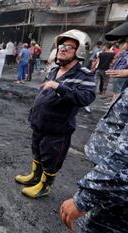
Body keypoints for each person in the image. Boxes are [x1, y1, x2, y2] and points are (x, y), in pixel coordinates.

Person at [60, 20, 128, 232]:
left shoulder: (83, 74)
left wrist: (86, 197)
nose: (124, 49)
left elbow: (125, 158)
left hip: (113, 189)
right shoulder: (57, 69)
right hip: (115, 196)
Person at [15, 29, 96, 198]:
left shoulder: (83, 75)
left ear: (80, 51)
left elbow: (86, 98)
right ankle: (35, 177)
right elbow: (44, 93)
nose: (62, 49)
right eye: (61, 45)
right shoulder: (54, 70)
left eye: (69, 46)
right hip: (40, 123)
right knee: (37, 151)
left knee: (51, 158)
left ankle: (44, 186)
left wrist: (59, 87)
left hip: (58, 129)